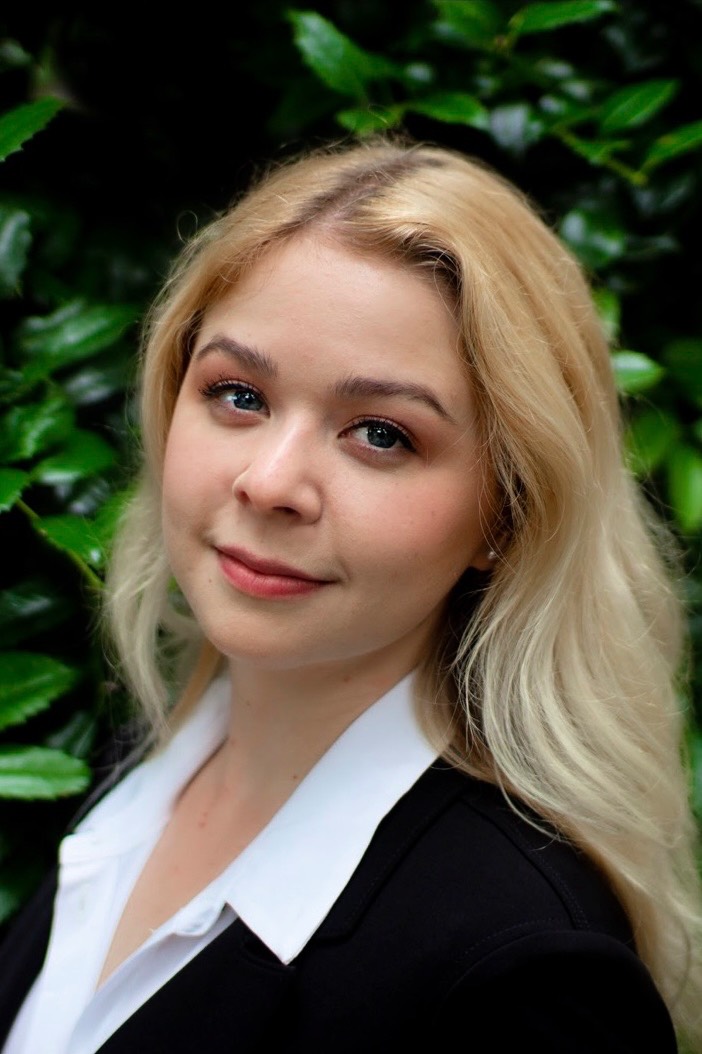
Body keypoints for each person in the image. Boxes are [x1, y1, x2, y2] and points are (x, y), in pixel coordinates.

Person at [0, 134, 700, 1053]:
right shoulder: (143, 770)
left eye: (379, 433)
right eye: (239, 395)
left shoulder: (519, 975)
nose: (270, 482)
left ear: (508, 512)